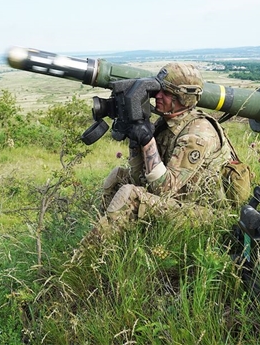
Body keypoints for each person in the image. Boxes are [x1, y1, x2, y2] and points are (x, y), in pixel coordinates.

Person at [93, 62, 244, 238]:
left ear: (183, 98)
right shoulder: (167, 123)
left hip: (204, 214)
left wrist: (147, 141)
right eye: (157, 90)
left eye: (165, 92)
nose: (157, 95)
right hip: (178, 199)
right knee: (118, 175)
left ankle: (85, 258)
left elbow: (164, 191)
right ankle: (110, 236)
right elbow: (138, 177)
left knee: (130, 194)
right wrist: (135, 139)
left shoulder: (198, 134)